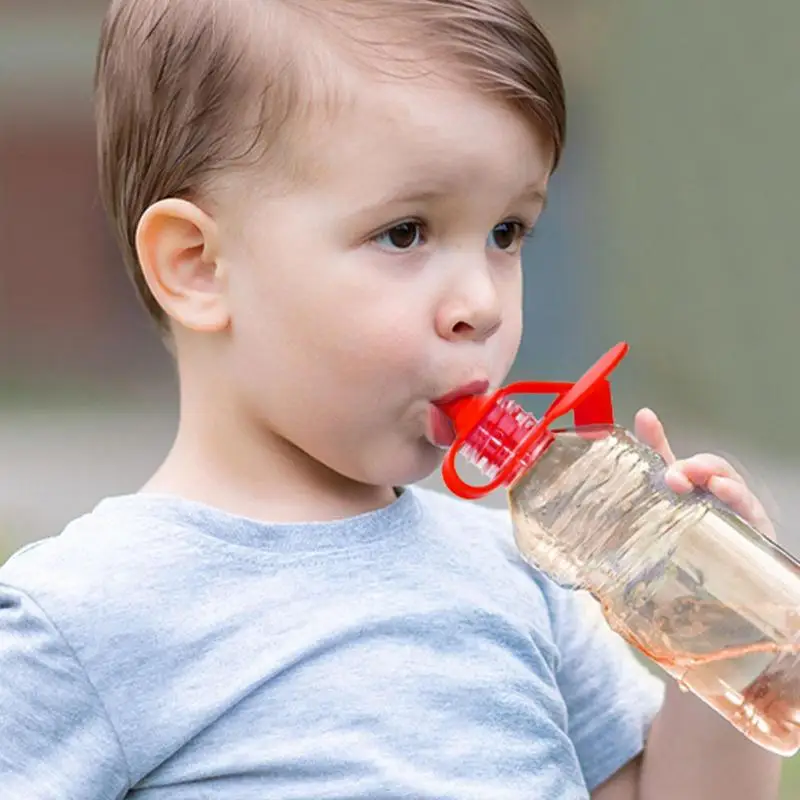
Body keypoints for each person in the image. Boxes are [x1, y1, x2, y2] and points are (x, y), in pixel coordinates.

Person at [0, 1, 782, 798]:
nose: (480, 299)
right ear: (199, 265)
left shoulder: (522, 576)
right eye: (405, 233)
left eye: (507, 233)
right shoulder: (87, 621)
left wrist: (719, 639)